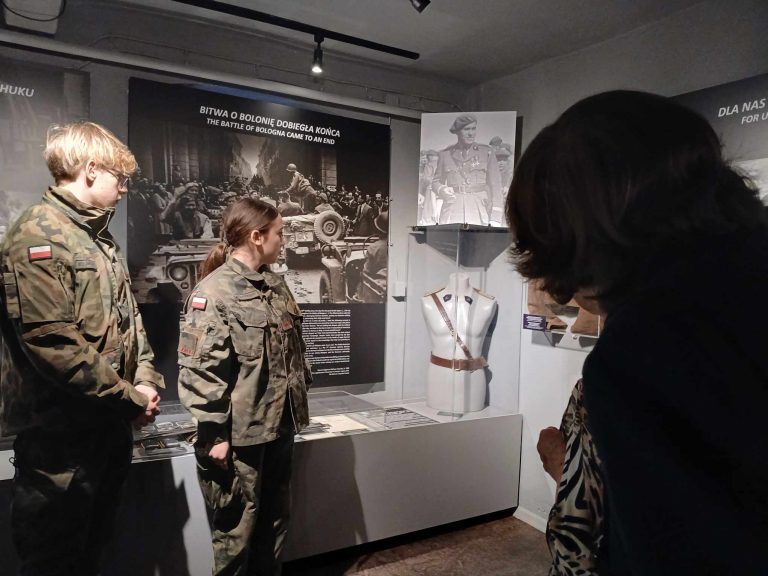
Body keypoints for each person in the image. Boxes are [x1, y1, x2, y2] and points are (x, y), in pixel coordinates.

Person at [506, 90, 768, 575]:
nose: (562, 289)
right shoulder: (742, 278)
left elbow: (669, 553)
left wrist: (568, 475)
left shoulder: (644, 347)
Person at [0, 121, 163, 575]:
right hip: (60, 447)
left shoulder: (98, 239)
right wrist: (130, 399)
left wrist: (146, 379)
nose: (125, 188)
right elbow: (53, 345)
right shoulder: (38, 236)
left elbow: (131, 322)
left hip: (104, 431)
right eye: (119, 177)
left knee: (93, 552)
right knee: (54, 561)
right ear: (91, 170)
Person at [178, 198, 312, 576]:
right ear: (256, 237)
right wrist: (214, 434)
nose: (283, 240)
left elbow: (292, 352)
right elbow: (201, 371)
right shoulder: (214, 293)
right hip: (240, 436)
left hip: (278, 425)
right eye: (279, 233)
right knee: (236, 530)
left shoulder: (276, 285)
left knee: (275, 522)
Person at [432, 114, 502, 226]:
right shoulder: (445, 154)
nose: (471, 133)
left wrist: (496, 217)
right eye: (466, 129)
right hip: (452, 208)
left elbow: (496, 186)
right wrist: (442, 189)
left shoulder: (486, 152)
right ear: (458, 132)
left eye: (473, 129)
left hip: (479, 209)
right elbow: (435, 182)